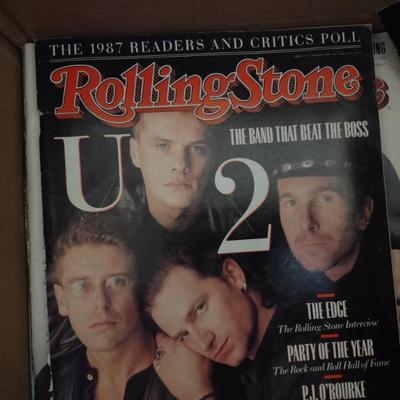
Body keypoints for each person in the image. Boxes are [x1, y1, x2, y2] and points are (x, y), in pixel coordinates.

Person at [35, 215, 175, 400]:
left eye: (118, 282)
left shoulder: (191, 374)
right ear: (62, 300)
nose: (101, 303)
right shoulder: (50, 380)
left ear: (141, 289)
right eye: (82, 286)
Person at [129, 111, 216, 231]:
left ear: (213, 157)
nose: (181, 165)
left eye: (197, 148)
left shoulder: (236, 218)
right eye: (162, 146)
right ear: (135, 153)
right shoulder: (105, 216)